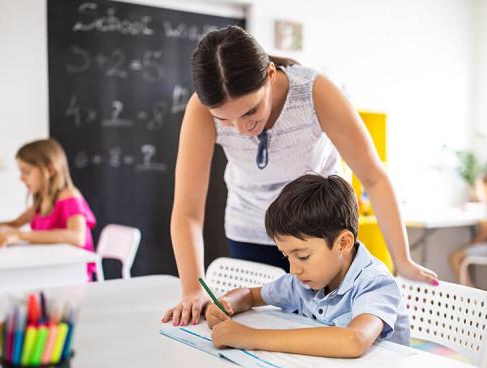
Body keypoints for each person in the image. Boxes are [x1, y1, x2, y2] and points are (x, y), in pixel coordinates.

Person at [163, 25, 436, 326]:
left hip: (318, 232)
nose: (242, 129)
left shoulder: (314, 91)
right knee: (262, 329)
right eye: (224, 120)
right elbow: (187, 211)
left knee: (331, 330)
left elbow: (373, 176)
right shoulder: (201, 110)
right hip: (251, 231)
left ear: (269, 74)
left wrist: (403, 261)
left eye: (250, 111)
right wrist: (192, 289)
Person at [204, 174, 411, 368]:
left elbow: (354, 340)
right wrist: (227, 303)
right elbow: (249, 295)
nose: (293, 269)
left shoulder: (374, 283)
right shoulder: (304, 281)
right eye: (286, 256)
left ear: (343, 243)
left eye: (302, 256)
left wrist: (249, 337)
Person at [0, 138, 97, 279]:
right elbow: (14, 224)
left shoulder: (69, 196)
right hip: (53, 267)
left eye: (26, 171)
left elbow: (77, 237)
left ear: (50, 170)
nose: (21, 178)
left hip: (73, 271)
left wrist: (18, 235)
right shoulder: (41, 200)